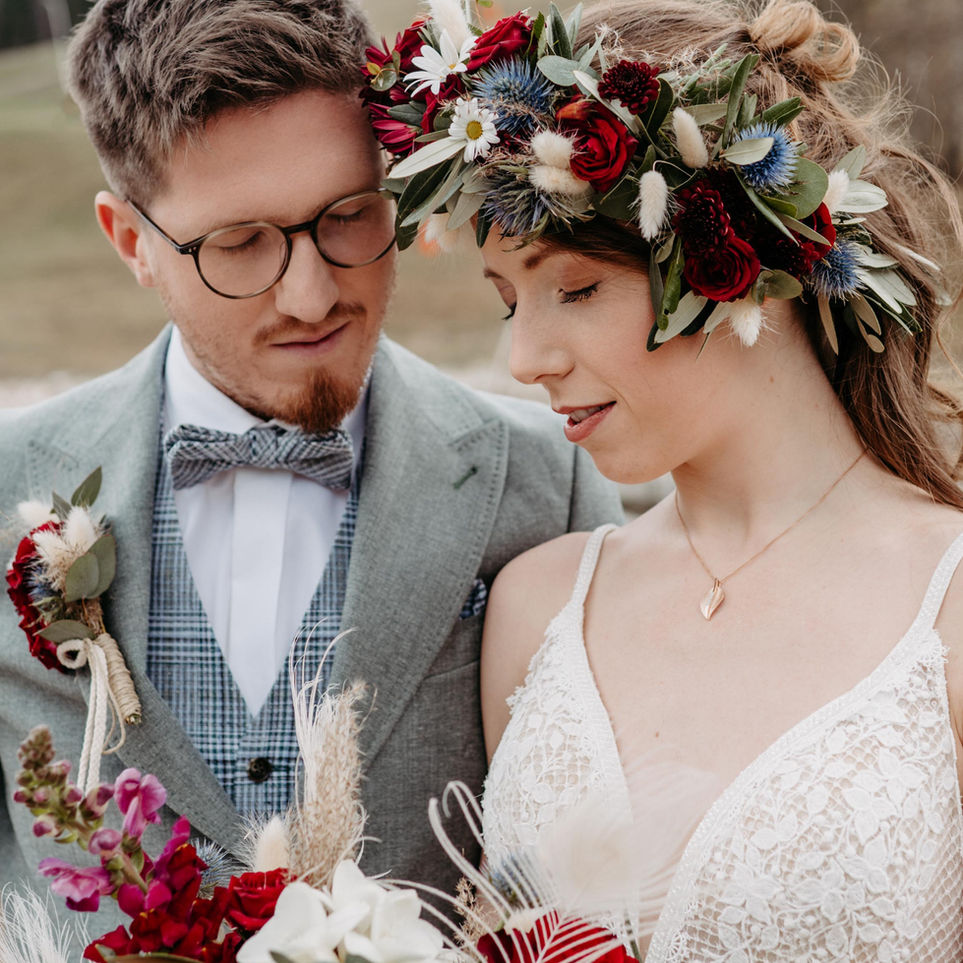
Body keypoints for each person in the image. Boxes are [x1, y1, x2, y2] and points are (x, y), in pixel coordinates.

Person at [0, 0, 623, 918]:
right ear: (131, 242)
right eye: (239, 243)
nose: (312, 294)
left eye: (347, 215)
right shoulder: (7, 482)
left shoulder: (543, 481)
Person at [368, 0, 963, 957]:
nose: (522, 358)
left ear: (737, 256)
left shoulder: (948, 606)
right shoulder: (538, 608)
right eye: (507, 301)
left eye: (575, 289)